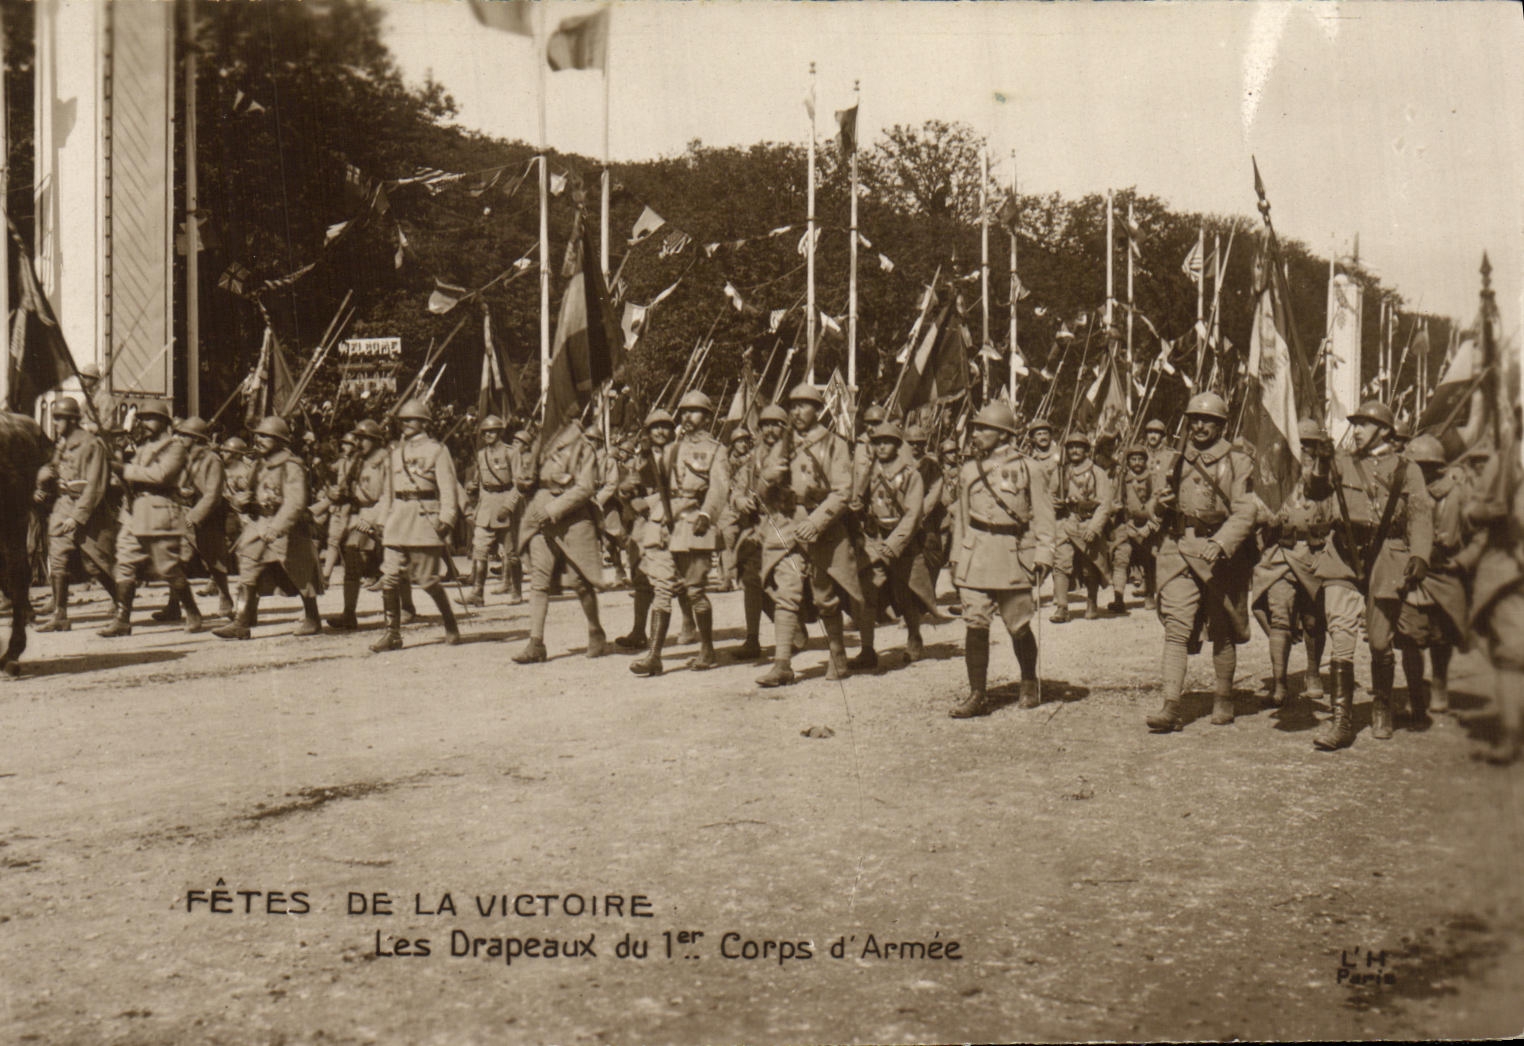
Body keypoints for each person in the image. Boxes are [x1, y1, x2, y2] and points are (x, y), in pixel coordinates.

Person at [1312, 399, 1432, 748]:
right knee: (1341, 629)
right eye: (1356, 423)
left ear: (1384, 430)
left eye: (1364, 424)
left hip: (1386, 557)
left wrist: (1420, 555)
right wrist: (1321, 460)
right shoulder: (1341, 461)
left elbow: (1420, 516)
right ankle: (1342, 721)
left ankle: (1381, 705)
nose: (1358, 430)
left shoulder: (1406, 469)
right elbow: (1315, 490)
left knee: (1380, 642)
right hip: (1344, 554)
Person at [1146, 392, 1257, 733]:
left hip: (1220, 557)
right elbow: (1152, 507)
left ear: (1222, 425)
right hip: (1179, 550)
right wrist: (1160, 506)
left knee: (1222, 630)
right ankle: (1171, 705)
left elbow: (1246, 510)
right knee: (1177, 628)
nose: (1199, 425)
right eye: (1194, 419)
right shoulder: (1175, 460)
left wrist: (1222, 542)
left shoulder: (1238, 462)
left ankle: (1223, 696)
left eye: (1207, 420)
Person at [947, 401, 1055, 717]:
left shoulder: (1029, 468)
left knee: (1018, 625)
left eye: (983, 429)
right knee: (975, 622)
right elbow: (962, 521)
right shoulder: (968, 470)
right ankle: (977, 693)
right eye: (976, 428)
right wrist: (957, 559)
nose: (976, 434)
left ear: (1003, 434)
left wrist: (1044, 554)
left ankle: (1028, 680)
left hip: (1013, 553)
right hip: (976, 554)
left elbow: (1045, 516)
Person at [754, 383, 861, 687]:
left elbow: (843, 492)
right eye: (794, 406)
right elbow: (760, 494)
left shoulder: (834, 444)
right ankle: (782, 663)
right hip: (787, 524)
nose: (797, 412)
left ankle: (838, 653)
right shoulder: (780, 445)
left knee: (825, 595)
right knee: (786, 593)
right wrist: (767, 478)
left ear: (818, 410)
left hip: (821, 527)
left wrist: (816, 522)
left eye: (804, 406)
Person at [99, 400, 205, 637]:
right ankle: (122, 620)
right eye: (142, 418)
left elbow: (161, 475)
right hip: (134, 512)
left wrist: (124, 469)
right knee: (124, 564)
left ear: (164, 422)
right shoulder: (143, 448)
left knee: (168, 568)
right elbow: (131, 477)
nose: (144, 423)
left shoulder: (174, 448)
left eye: (150, 418)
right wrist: (117, 473)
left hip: (159, 512)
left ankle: (192, 611)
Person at [1250, 419, 1334, 716]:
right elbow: (1257, 504)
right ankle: (1280, 682)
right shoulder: (1274, 473)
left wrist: (1324, 458)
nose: (1304, 449)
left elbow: (1319, 483)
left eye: (1309, 444)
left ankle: (1312, 672)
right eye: (1300, 443)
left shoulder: (1324, 473)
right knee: (1279, 617)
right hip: (1279, 553)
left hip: (1313, 554)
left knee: (1314, 620)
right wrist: (1266, 515)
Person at [364, 400, 462, 652]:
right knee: (390, 577)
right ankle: (392, 634)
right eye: (403, 420)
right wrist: (381, 520)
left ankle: (450, 622)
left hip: (424, 518)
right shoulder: (394, 453)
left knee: (427, 580)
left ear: (424, 423)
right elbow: (388, 492)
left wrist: (447, 518)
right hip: (398, 519)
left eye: (411, 420)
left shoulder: (437, 451)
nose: (405, 424)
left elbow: (448, 488)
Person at [213, 415, 324, 639]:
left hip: (287, 529)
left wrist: (278, 527)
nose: (259, 440)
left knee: (299, 573)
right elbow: (251, 491)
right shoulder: (259, 464)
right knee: (248, 569)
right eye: (258, 436)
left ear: (280, 440)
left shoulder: (291, 466)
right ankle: (241, 622)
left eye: (266, 436)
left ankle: (312, 618)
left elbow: (295, 502)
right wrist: (242, 501)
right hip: (259, 523)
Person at [513, 414, 607, 664]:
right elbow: (525, 480)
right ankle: (536, 642)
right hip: (539, 515)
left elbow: (585, 488)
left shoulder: (584, 447)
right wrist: (526, 474)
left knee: (579, 582)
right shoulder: (539, 445)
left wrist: (553, 510)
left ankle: (595, 630)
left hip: (573, 518)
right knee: (538, 580)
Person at [1396, 434, 1475, 727]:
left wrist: (1463, 557)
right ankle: (1416, 696)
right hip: (1414, 573)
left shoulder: (1459, 491)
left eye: (1421, 466)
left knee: (1443, 636)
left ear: (1435, 467)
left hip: (1447, 572)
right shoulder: (1404, 491)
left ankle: (1439, 688)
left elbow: (1477, 530)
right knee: (1410, 637)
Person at [852, 421, 936, 668]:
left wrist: (896, 542)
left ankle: (914, 637)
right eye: (877, 442)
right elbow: (858, 500)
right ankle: (867, 649)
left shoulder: (911, 474)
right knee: (868, 591)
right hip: (874, 537)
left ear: (898, 446)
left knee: (907, 592)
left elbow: (913, 514)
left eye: (887, 442)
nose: (881, 447)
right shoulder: (868, 471)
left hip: (902, 540)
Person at [33, 396, 114, 632]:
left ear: (72, 420)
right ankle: (60, 615)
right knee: (57, 560)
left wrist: (78, 517)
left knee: (96, 564)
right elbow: (54, 472)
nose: (55, 423)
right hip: (62, 505)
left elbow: (96, 485)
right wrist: (42, 481)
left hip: (89, 511)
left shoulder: (91, 445)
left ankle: (121, 604)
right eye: (54, 418)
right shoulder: (61, 445)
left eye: (58, 419)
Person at [158, 417, 233, 621]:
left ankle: (226, 600)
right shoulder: (183, 457)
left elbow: (213, 494)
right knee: (177, 561)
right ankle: (173, 605)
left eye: (184, 435)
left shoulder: (212, 460)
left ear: (196, 439)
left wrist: (195, 516)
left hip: (208, 517)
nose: (179, 438)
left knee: (214, 561)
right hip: (183, 514)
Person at [324, 419, 391, 631]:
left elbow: (389, 494)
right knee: (352, 559)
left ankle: (403, 608)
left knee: (391, 564)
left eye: (363, 439)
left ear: (375, 440)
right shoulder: (358, 461)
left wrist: (376, 520)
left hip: (383, 514)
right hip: (362, 514)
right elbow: (348, 489)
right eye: (358, 438)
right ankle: (349, 614)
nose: (358, 442)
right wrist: (335, 493)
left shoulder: (386, 461)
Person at [1050, 430, 1113, 622]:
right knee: (1061, 563)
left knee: (1089, 566)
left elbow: (1105, 504)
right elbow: (1050, 495)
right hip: (1067, 520)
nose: (1075, 450)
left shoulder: (1098, 473)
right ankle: (1062, 607)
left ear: (1087, 451)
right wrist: (1056, 502)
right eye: (1071, 447)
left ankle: (1091, 601)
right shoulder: (1060, 472)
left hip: (1088, 521)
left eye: (1079, 447)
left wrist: (1094, 528)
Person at [464, 415, 520, 607]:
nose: (488, 435)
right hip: (486, 507)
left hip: (505, 506)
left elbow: (519, 485)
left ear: (500, 432)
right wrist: (472, 488)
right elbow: (480, 483)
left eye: (493, 431)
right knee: (480, 550)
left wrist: (509, 506)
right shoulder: (481, 455)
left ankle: (516, 591)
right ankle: (477, 592)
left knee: (511, 554)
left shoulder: (511, 453)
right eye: (485, 432)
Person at [1108, 443, 1158, 614]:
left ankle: (1150, 595)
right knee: (1120, 560)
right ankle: (1118, 598)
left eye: (1140, 459)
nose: (1136, 463)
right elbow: (1114, 500)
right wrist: (1115, 508)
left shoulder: (1152, 478)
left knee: (1148, 561)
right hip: (1125, 525)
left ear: (1145, 461)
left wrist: (1150, 526)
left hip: (1145, 526)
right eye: (1133, 459)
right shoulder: (1122, 479)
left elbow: (1158, 506)